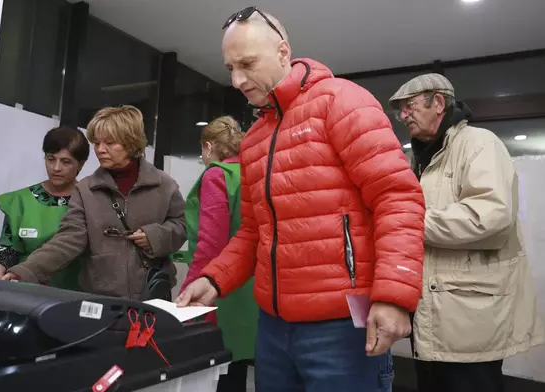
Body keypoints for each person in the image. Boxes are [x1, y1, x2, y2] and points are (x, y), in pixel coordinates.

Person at [177, 7, 426, 392]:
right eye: (230, 68)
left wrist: (394, 297)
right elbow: (253, 232)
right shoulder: (256, 139)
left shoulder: (341, 101)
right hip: (274, 329)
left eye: (246, 63)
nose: (237, 80)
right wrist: (214, 278)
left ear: (282, 52)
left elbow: (398, 198)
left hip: (342, 328)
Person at [389, 73, 545, 392]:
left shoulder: (479, 143)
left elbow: (489, 216)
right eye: (400, 110)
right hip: (430, 316)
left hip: (469, 317)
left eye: (410, 106)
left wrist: (407, 223)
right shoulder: (414, 159)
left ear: (439, 103)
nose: (403, 116)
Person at [0, 106, 186, 300]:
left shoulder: (164, 185)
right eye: (96, 143)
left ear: (131, 143)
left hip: (153, 294)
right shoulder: (86, 190)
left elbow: (182, 226)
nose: (100, 150)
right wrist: (24, 271)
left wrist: (155, 236)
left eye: (110, 143)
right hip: (101, 297)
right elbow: (68, 239)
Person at [180, 116, 258, 392]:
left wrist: (189, 290)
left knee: (221, 373)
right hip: (254, 289)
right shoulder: (252, 174)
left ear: (209, 146)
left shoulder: (216, 175)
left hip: (220, 291)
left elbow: (209, 246)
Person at [0, 126, 89, 290]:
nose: (56, 168)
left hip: (73, 294)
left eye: (66, 162)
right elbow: (8, 247)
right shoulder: (20, 201)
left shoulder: (90, 201)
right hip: (24, 290)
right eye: (51, 159)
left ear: (80, 164)